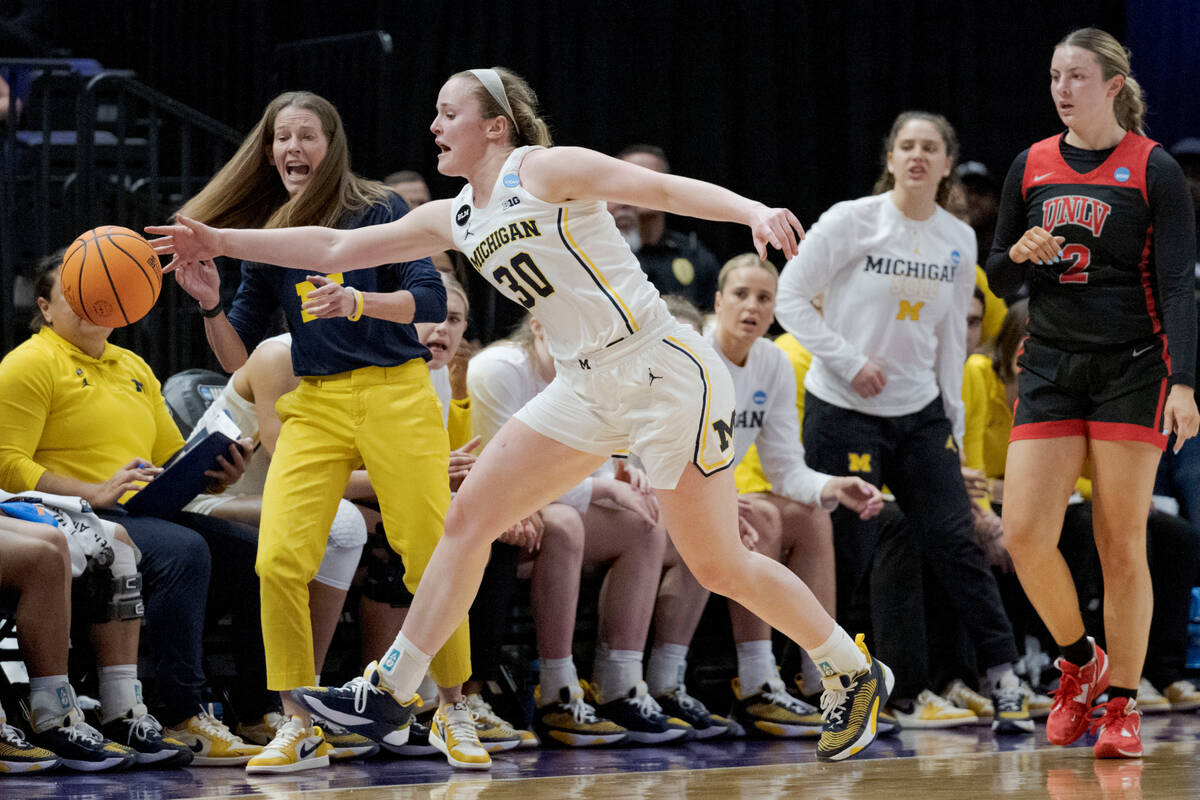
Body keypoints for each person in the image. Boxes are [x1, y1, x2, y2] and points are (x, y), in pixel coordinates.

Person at [148, 66, 893, 764]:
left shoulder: (543, 169)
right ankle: (390, 691)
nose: (434, 124)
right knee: (468, 518)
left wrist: (751, 211)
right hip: (582, 384)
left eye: (449, 112)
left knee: (716, 562)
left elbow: (655, 190)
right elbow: (337, 244)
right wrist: (219, 238)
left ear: (496, 126)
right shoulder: (459, 212)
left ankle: (852, 670)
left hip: (660, 369)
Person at [161, 90, 486, 771]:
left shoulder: (379, 210)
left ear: (330, 145)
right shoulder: (273, 234)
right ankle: (298, 722)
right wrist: (211, 304)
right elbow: (242, 361)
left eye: (306, 135)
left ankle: (454, 707)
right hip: (316, 402)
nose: (291, 149)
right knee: (279, 558)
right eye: (281, 137)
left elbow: (428, 301)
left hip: (396, 394)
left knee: (430, 553)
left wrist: (359, 299)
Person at [776, 110, 1033, 735]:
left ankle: (1002, 674)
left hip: (919, 415)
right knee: (845, 548)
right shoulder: (850, 222)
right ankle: (812, 681)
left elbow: (950, 335)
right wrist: (849, 360)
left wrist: (951, 415)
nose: (918, 156)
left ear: (947, 164)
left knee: (956, 538)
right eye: (907, 146)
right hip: (844, 409)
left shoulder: (956, 237)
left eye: (931, 148)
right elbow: (789, 298)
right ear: (891, 158)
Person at [984, 28, 1199, 759]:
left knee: (1120, 544)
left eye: (1076, 76)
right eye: (1054, 77)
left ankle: (1123, 707)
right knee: (1022, 535)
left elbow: (1177, 284)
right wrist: (1016, 253)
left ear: (1113, 84)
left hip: (1132, 369)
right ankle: (1080, 660)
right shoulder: (1031, 165)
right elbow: (1000, 275)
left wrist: (1185, 383)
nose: (1062, 89)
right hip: (1049, 365)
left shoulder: (1154, 169)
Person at [0, 259, 263, 766]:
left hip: (137, 509)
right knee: (184, 551)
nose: (93, 299)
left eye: (102, 288)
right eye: (77, 292)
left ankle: (256, 708)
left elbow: (170, 458)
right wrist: (93, 491)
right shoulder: (29, 364)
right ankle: (179, 710)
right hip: (63, 512)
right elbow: (7, 464)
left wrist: (216, 472)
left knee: (249, 551)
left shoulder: (133, 366)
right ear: (45, 307)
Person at [673, 253, 884, 738]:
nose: (752, 306)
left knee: (812, 513)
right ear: (717, 301)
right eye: (741, 295)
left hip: (726, 492)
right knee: (764, 517)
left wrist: (831, 485)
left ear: (775, 311)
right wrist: (721, 500)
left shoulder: (773, 362)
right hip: (675, 488)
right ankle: (756, 684)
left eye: (764, 298)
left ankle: (825, 681)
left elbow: (785, 466)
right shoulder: (691, 352)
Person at [608, 144, 723, 310]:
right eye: (633, 179)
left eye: (652, 179)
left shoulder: (694, 254)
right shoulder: (602, 250)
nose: (643, 187)